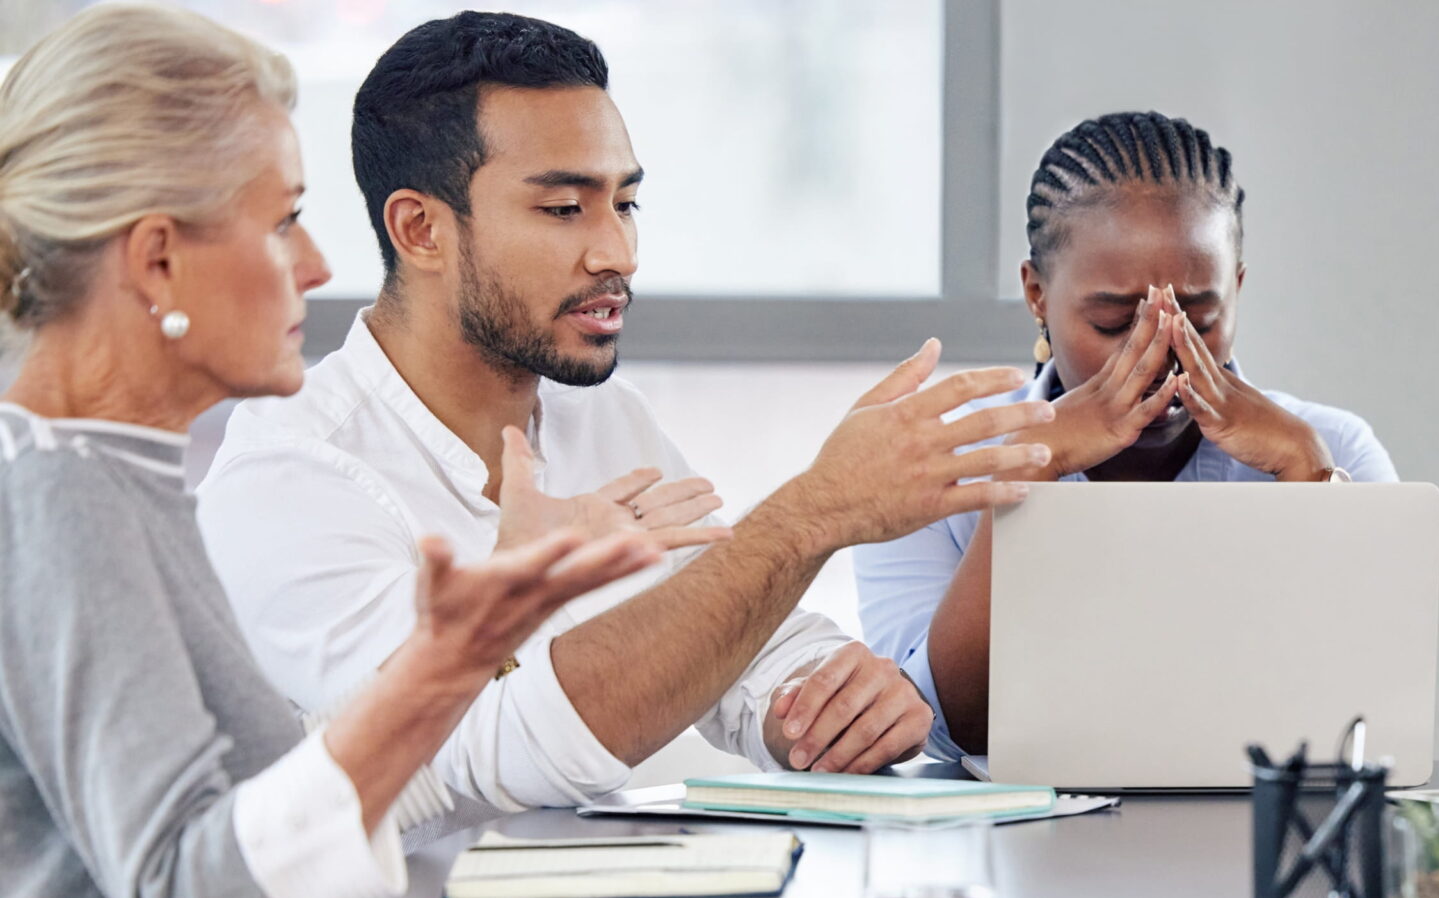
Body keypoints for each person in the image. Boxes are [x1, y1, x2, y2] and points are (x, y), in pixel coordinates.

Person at [194, 11, 1052, 828]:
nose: (618, 252)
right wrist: (814, 512)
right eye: (565, 209)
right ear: (420, 229)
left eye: (625, 203)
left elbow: (740, 640)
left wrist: (821, 702)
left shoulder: (601, 415)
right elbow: (485, 749)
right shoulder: (291, 476)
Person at [0, 6, 659, 897]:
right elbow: (181, 883)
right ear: (158, 263)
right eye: (282, 222)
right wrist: (449, 663)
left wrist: (459, 664)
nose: (314, 265)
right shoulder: (62, 496)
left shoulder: (113, 479)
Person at [855, 111, 1398, 759]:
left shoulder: (1333, 446)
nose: (1162, 351)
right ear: (1037, 296)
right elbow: (950, 727)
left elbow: (1371, 717)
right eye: (1115, 322)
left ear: (1238, 290)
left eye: (1200, 317)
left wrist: (1309, 476)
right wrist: (1034, 469)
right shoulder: (936, 465)